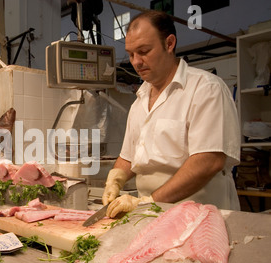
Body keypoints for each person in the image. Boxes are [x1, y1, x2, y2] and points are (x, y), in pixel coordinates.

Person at [102, 10, 241, 217]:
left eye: (144, 51)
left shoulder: (205, 89)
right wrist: (116, 178)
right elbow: (129, 157)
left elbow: (208, 161)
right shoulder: (139, 102)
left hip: (201, 217)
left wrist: (149, 201)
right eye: (131, 54)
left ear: (169, 43)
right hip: (151, 216)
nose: (136, 62)